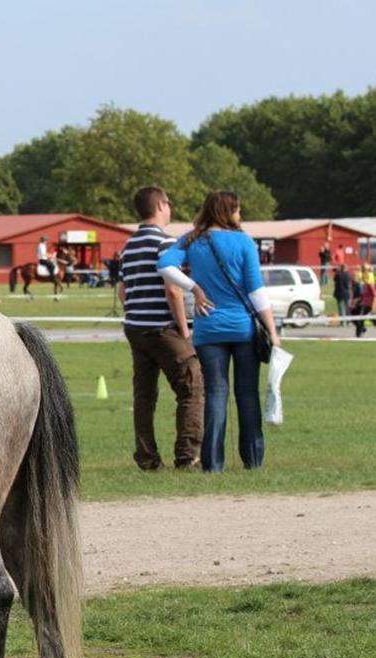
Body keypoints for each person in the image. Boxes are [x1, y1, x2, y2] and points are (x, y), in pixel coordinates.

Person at [158, 190, 281, 473]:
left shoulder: (193, 239)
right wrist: (272, 331)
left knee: (215, 394)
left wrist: (195, 288)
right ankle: (253, 459)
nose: (240, 215)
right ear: (229, 211)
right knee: (247, 394)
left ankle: (213, 464)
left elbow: (163, 265)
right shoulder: (243, 242)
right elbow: (255, 291)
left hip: (209, 327)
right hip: (243, 328)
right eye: (237, 209)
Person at [118, 186, 204, 471]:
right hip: (163, 328)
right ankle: (187, 455)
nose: (171, 208)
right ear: (161, 206)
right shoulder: (166, 243)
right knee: (191, 387)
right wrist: (184, 328)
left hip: (135, 327)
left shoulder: (129, 245)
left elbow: (122, 289)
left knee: (144, 397)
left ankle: (147, 458)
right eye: (169, 203)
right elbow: (173, 290)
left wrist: (133, 313)